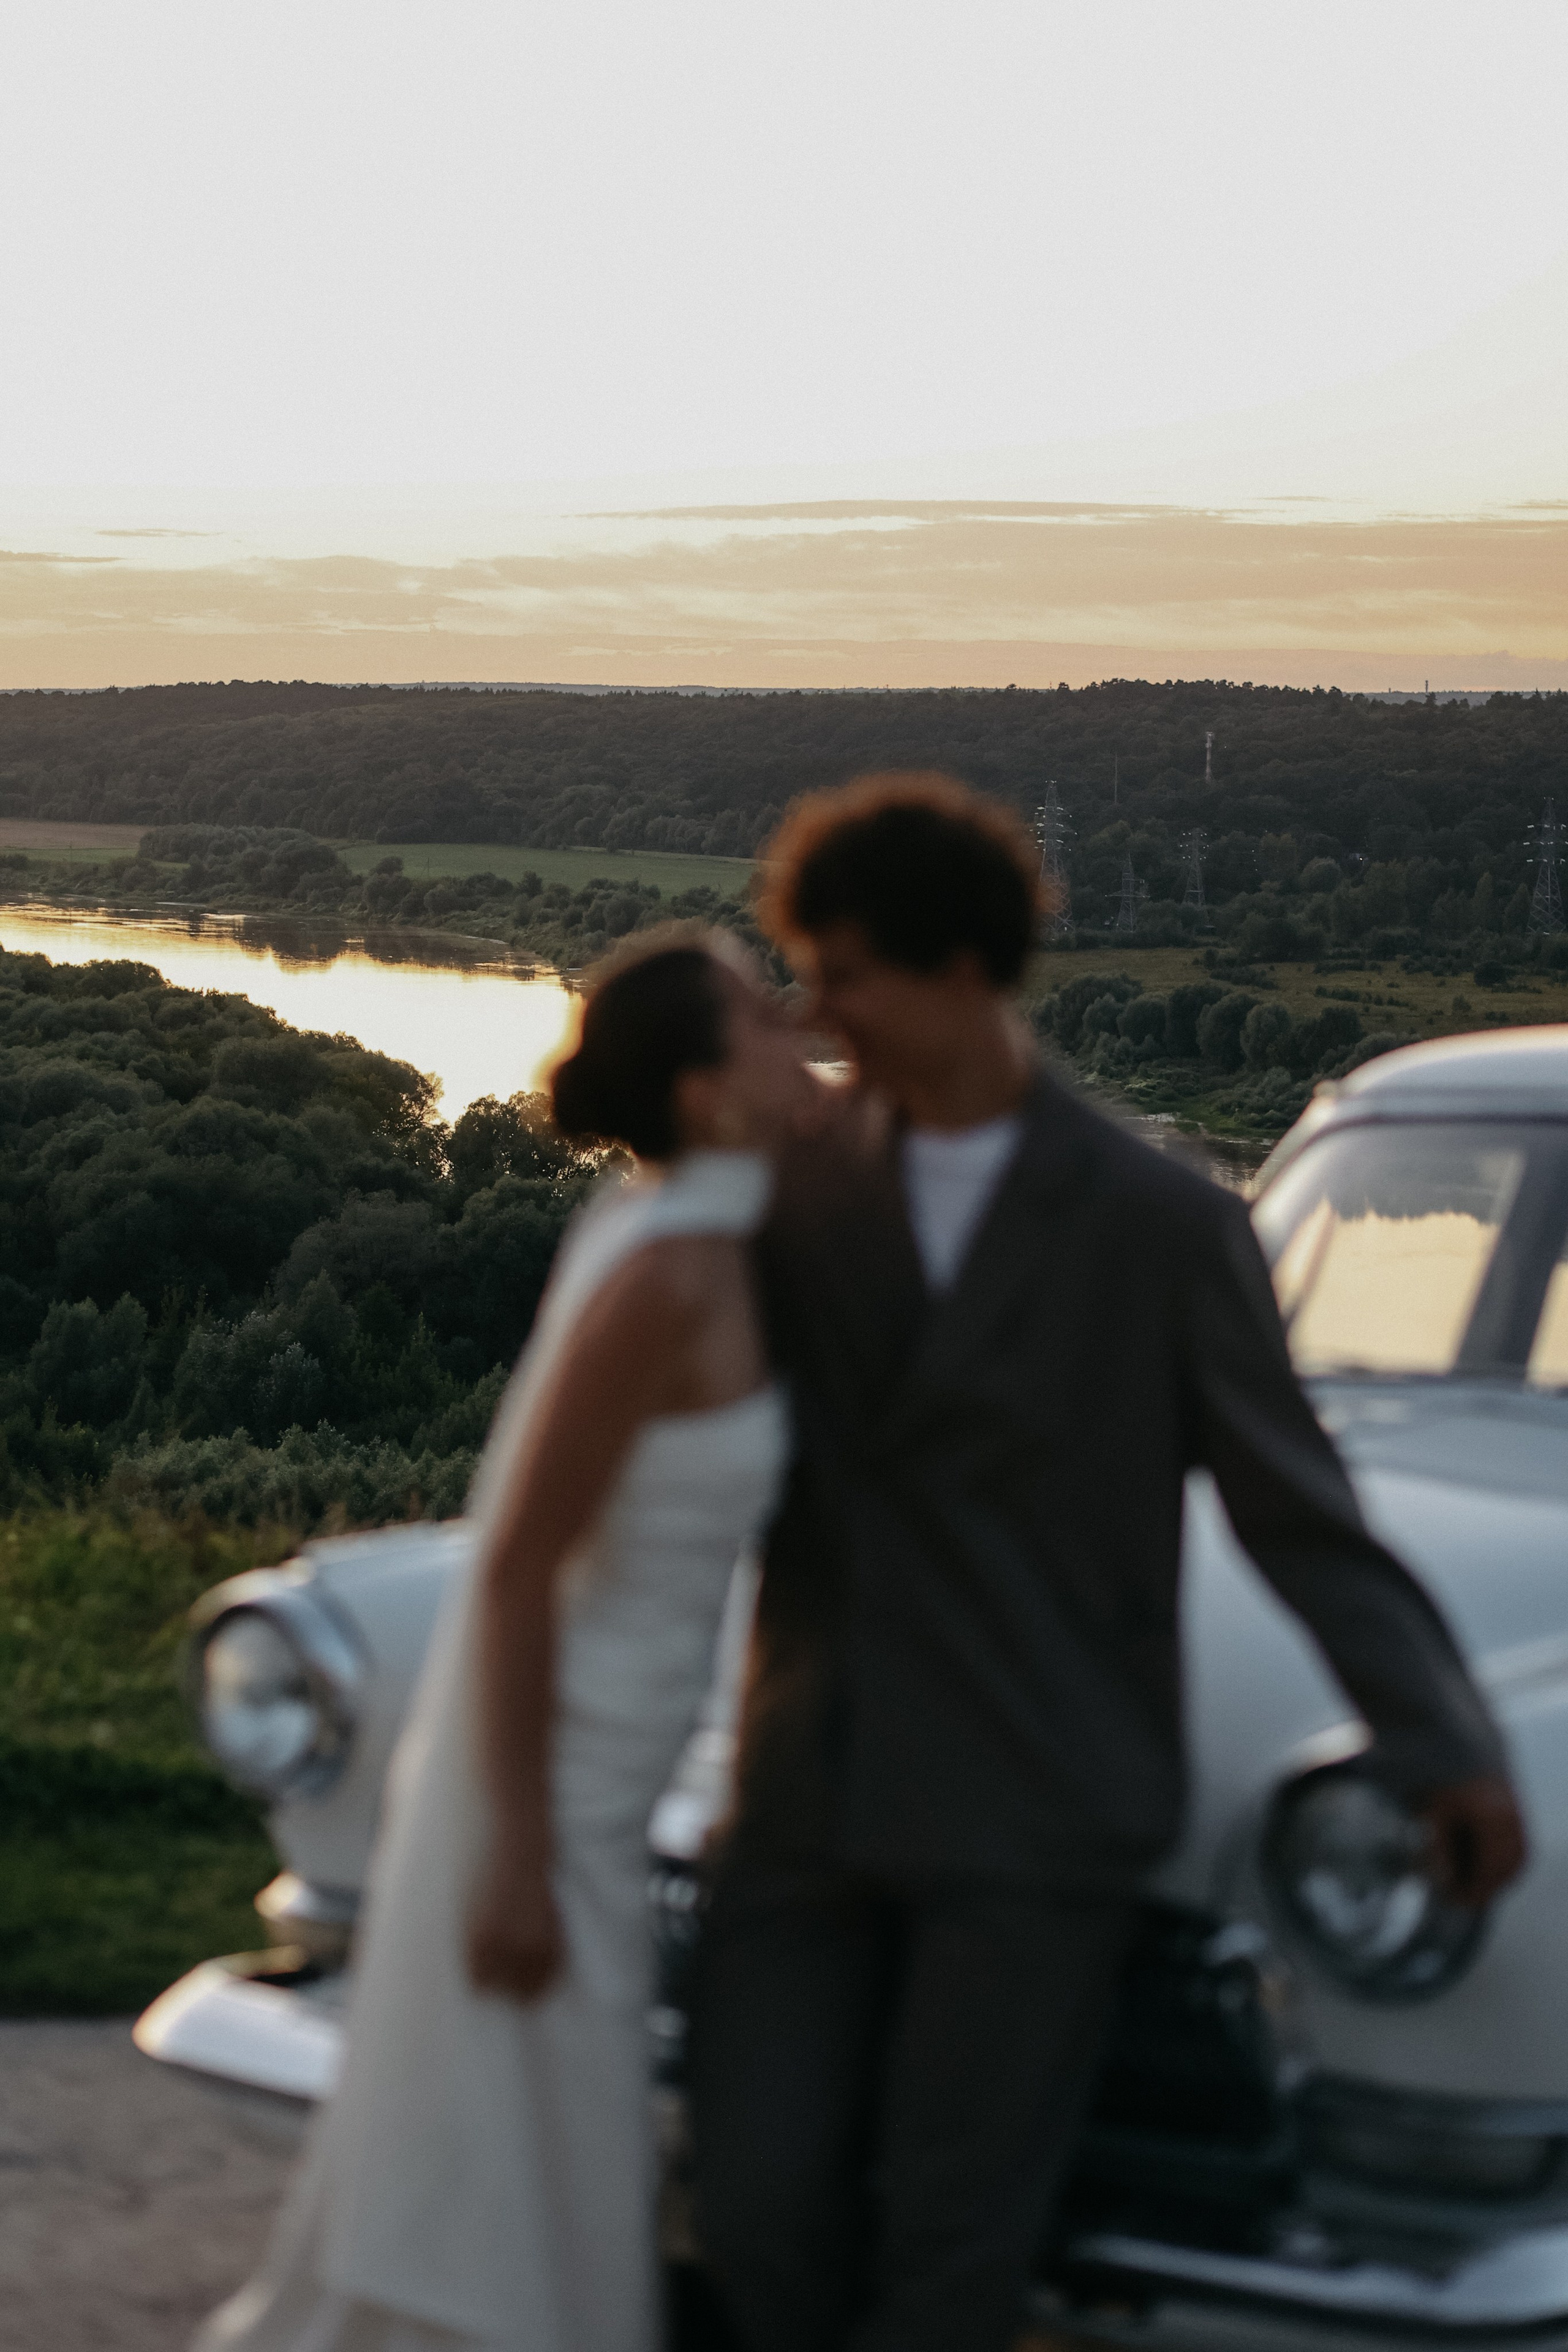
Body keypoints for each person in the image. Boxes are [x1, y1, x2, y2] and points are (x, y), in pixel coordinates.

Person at [690, 772, 1527, 2352]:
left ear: (955, 973)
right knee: (755, 2207)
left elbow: (1301, 1515)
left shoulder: (1160, 1227)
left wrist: (1440, 1742)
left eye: (844, 973)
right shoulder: (787, 1185)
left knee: (949, 2258)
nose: (815, 1010)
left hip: (1032, 1814)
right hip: (804, 1795)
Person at [197, 934, 817, 2352]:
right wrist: (525, 1856)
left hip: (614, 1773)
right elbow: (524, 1563)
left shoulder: (717, 1222)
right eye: (759, 1012)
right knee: (526, 2161)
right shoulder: (661, 1276)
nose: (794, 1025)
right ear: (708, 1089)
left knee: (548, 2152)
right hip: (548, 1785)